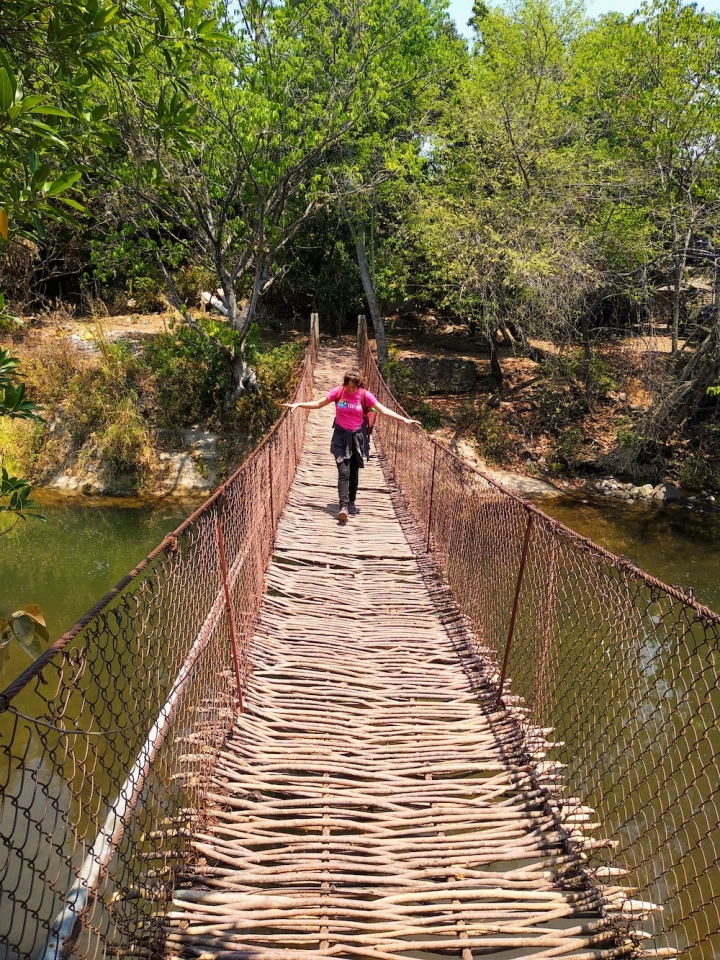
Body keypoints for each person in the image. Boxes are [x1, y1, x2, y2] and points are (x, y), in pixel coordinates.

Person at [284, 370, 419, 523]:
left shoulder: (364, 395)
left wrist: (404, 419)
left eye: (353, 387)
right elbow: (319, 404)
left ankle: (352, 502)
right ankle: (343, 507)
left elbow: (383, 410)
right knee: (344, 471)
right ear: (345, 384)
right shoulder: (338, 392)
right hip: (340, 436)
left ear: (358, 385)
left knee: (354, 470)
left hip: (357, 437)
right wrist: (299, 404)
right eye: (348, 386)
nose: (350, 390)